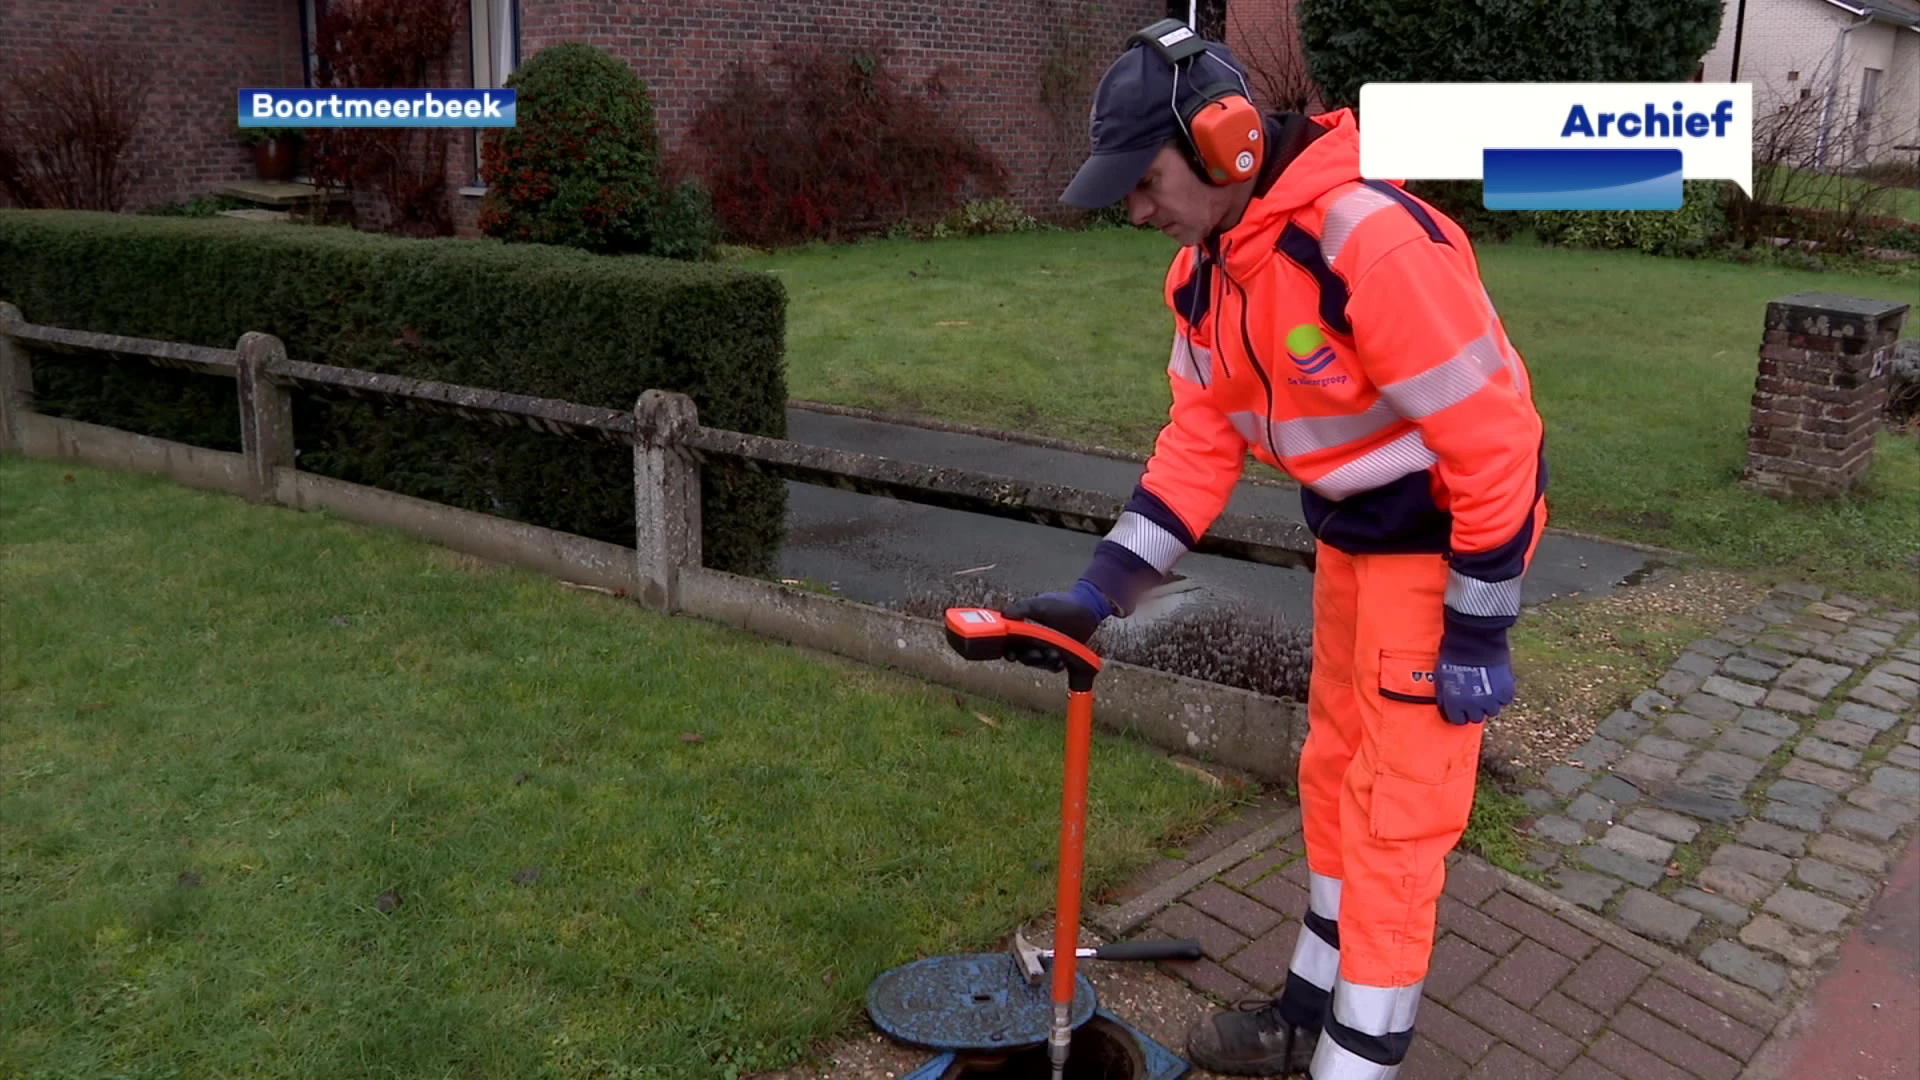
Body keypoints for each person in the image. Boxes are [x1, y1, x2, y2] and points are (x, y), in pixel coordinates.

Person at [1000, 18, 1550, 1080]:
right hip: (1355, 550)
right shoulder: (1207, 277)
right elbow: (1197, 445)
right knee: (1337, 774)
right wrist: (1099, 590)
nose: (1136, 209)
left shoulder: (1365, 243)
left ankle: (1357, 1060)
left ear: (1228, 143)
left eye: (1146, 181)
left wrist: (1481, 625)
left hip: (1443, 558)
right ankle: (1308, 1007)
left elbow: (1496, 442)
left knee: (1397, 829)